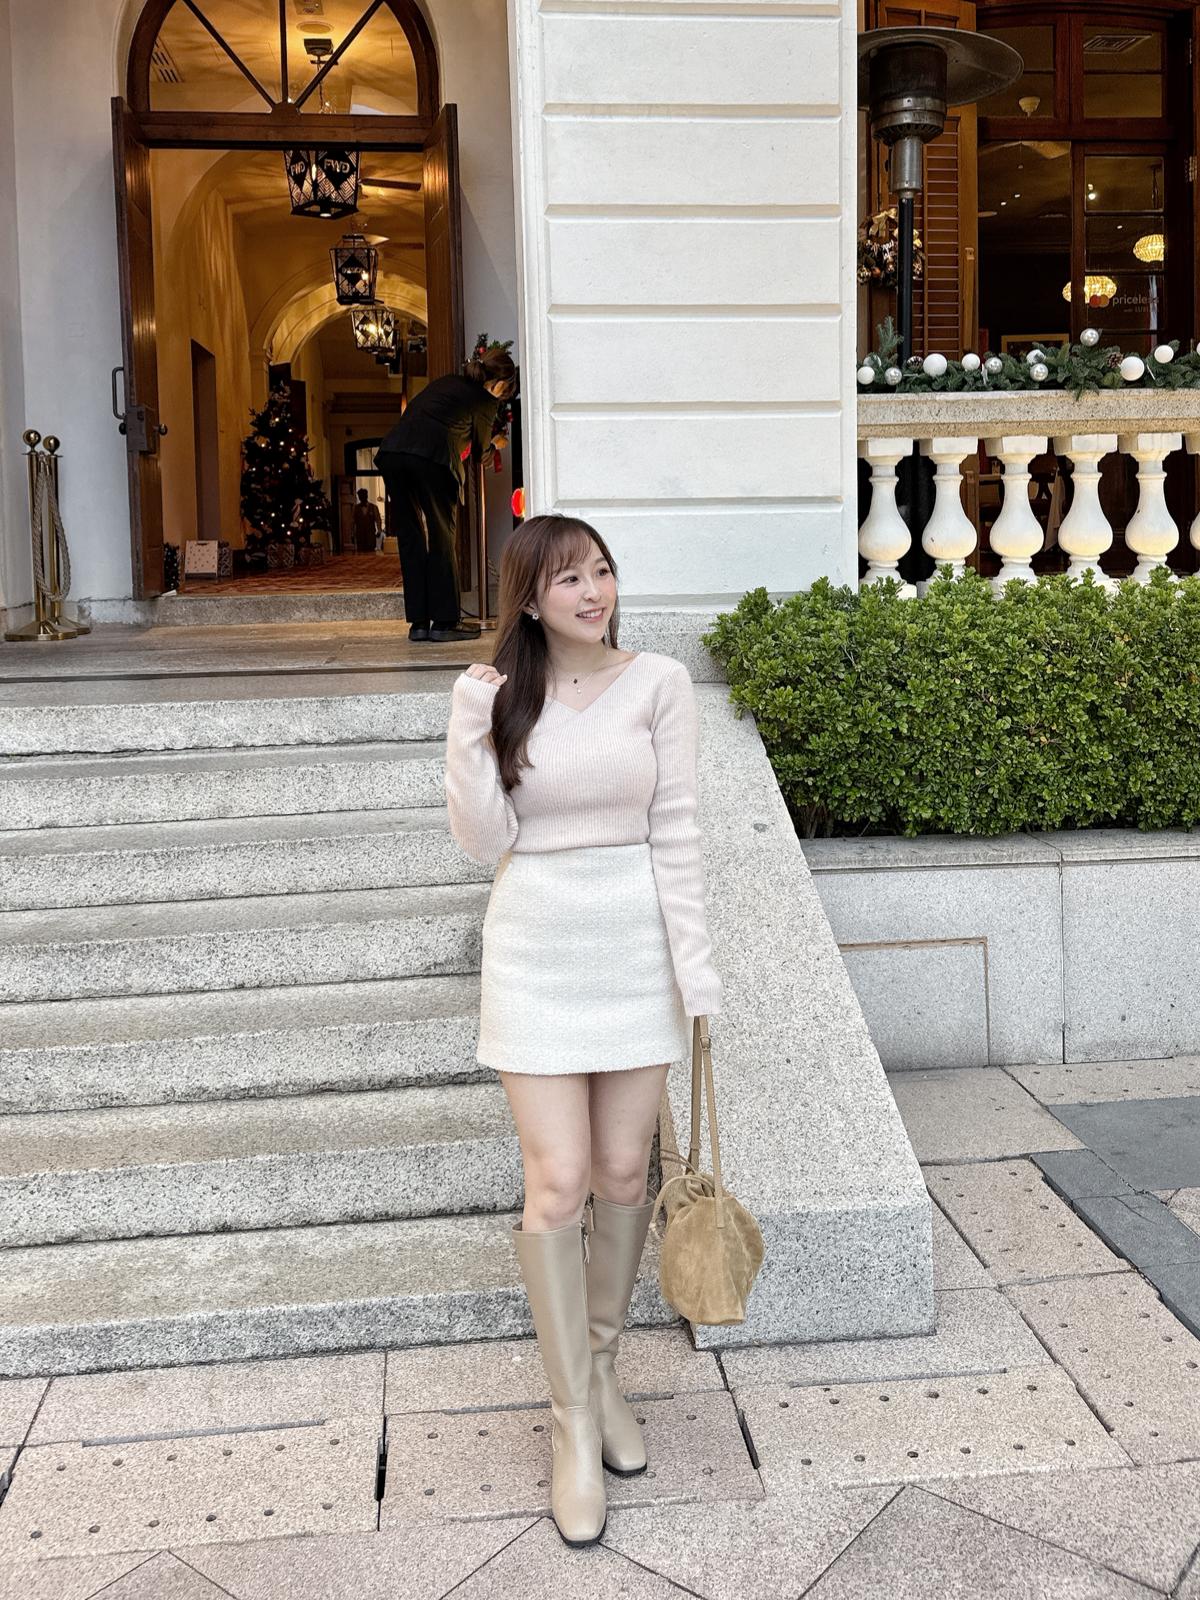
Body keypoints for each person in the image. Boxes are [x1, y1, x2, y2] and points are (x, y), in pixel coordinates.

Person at [443, 514, 724, 1548]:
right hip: (537, 950)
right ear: (528, 597)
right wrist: (469, 729)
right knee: (557, 1181)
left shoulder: (659, 684)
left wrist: (695, 970)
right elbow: (483, 839)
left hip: (634, 951)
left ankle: (603, 1371)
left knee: (621, 1171)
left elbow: (676, 828)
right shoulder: (499, 697)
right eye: (569, 578)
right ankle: (570, 1421)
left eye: (601, 571)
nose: (593, 591)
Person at [375, 345, 517, 643]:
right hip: (434, 459)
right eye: (505, 391)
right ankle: (444, 622)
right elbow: (480, 452)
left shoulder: (447, 382)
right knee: (442, 537)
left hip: (393, 453)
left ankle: (419, 624)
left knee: (411, 538)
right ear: (500, 384)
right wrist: (496, 444)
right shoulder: (484, 400)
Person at [351, 488, 383, 553]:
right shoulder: (355, 508)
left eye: (363, 496)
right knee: (360, 553)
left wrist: (379, 530)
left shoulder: (374, 507)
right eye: (360, 496)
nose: (361, 498)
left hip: (370, 535)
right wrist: (352, 534)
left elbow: (378, 520)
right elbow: (352, 522)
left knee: (371, 553)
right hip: (360, 535)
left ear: (366, 496)